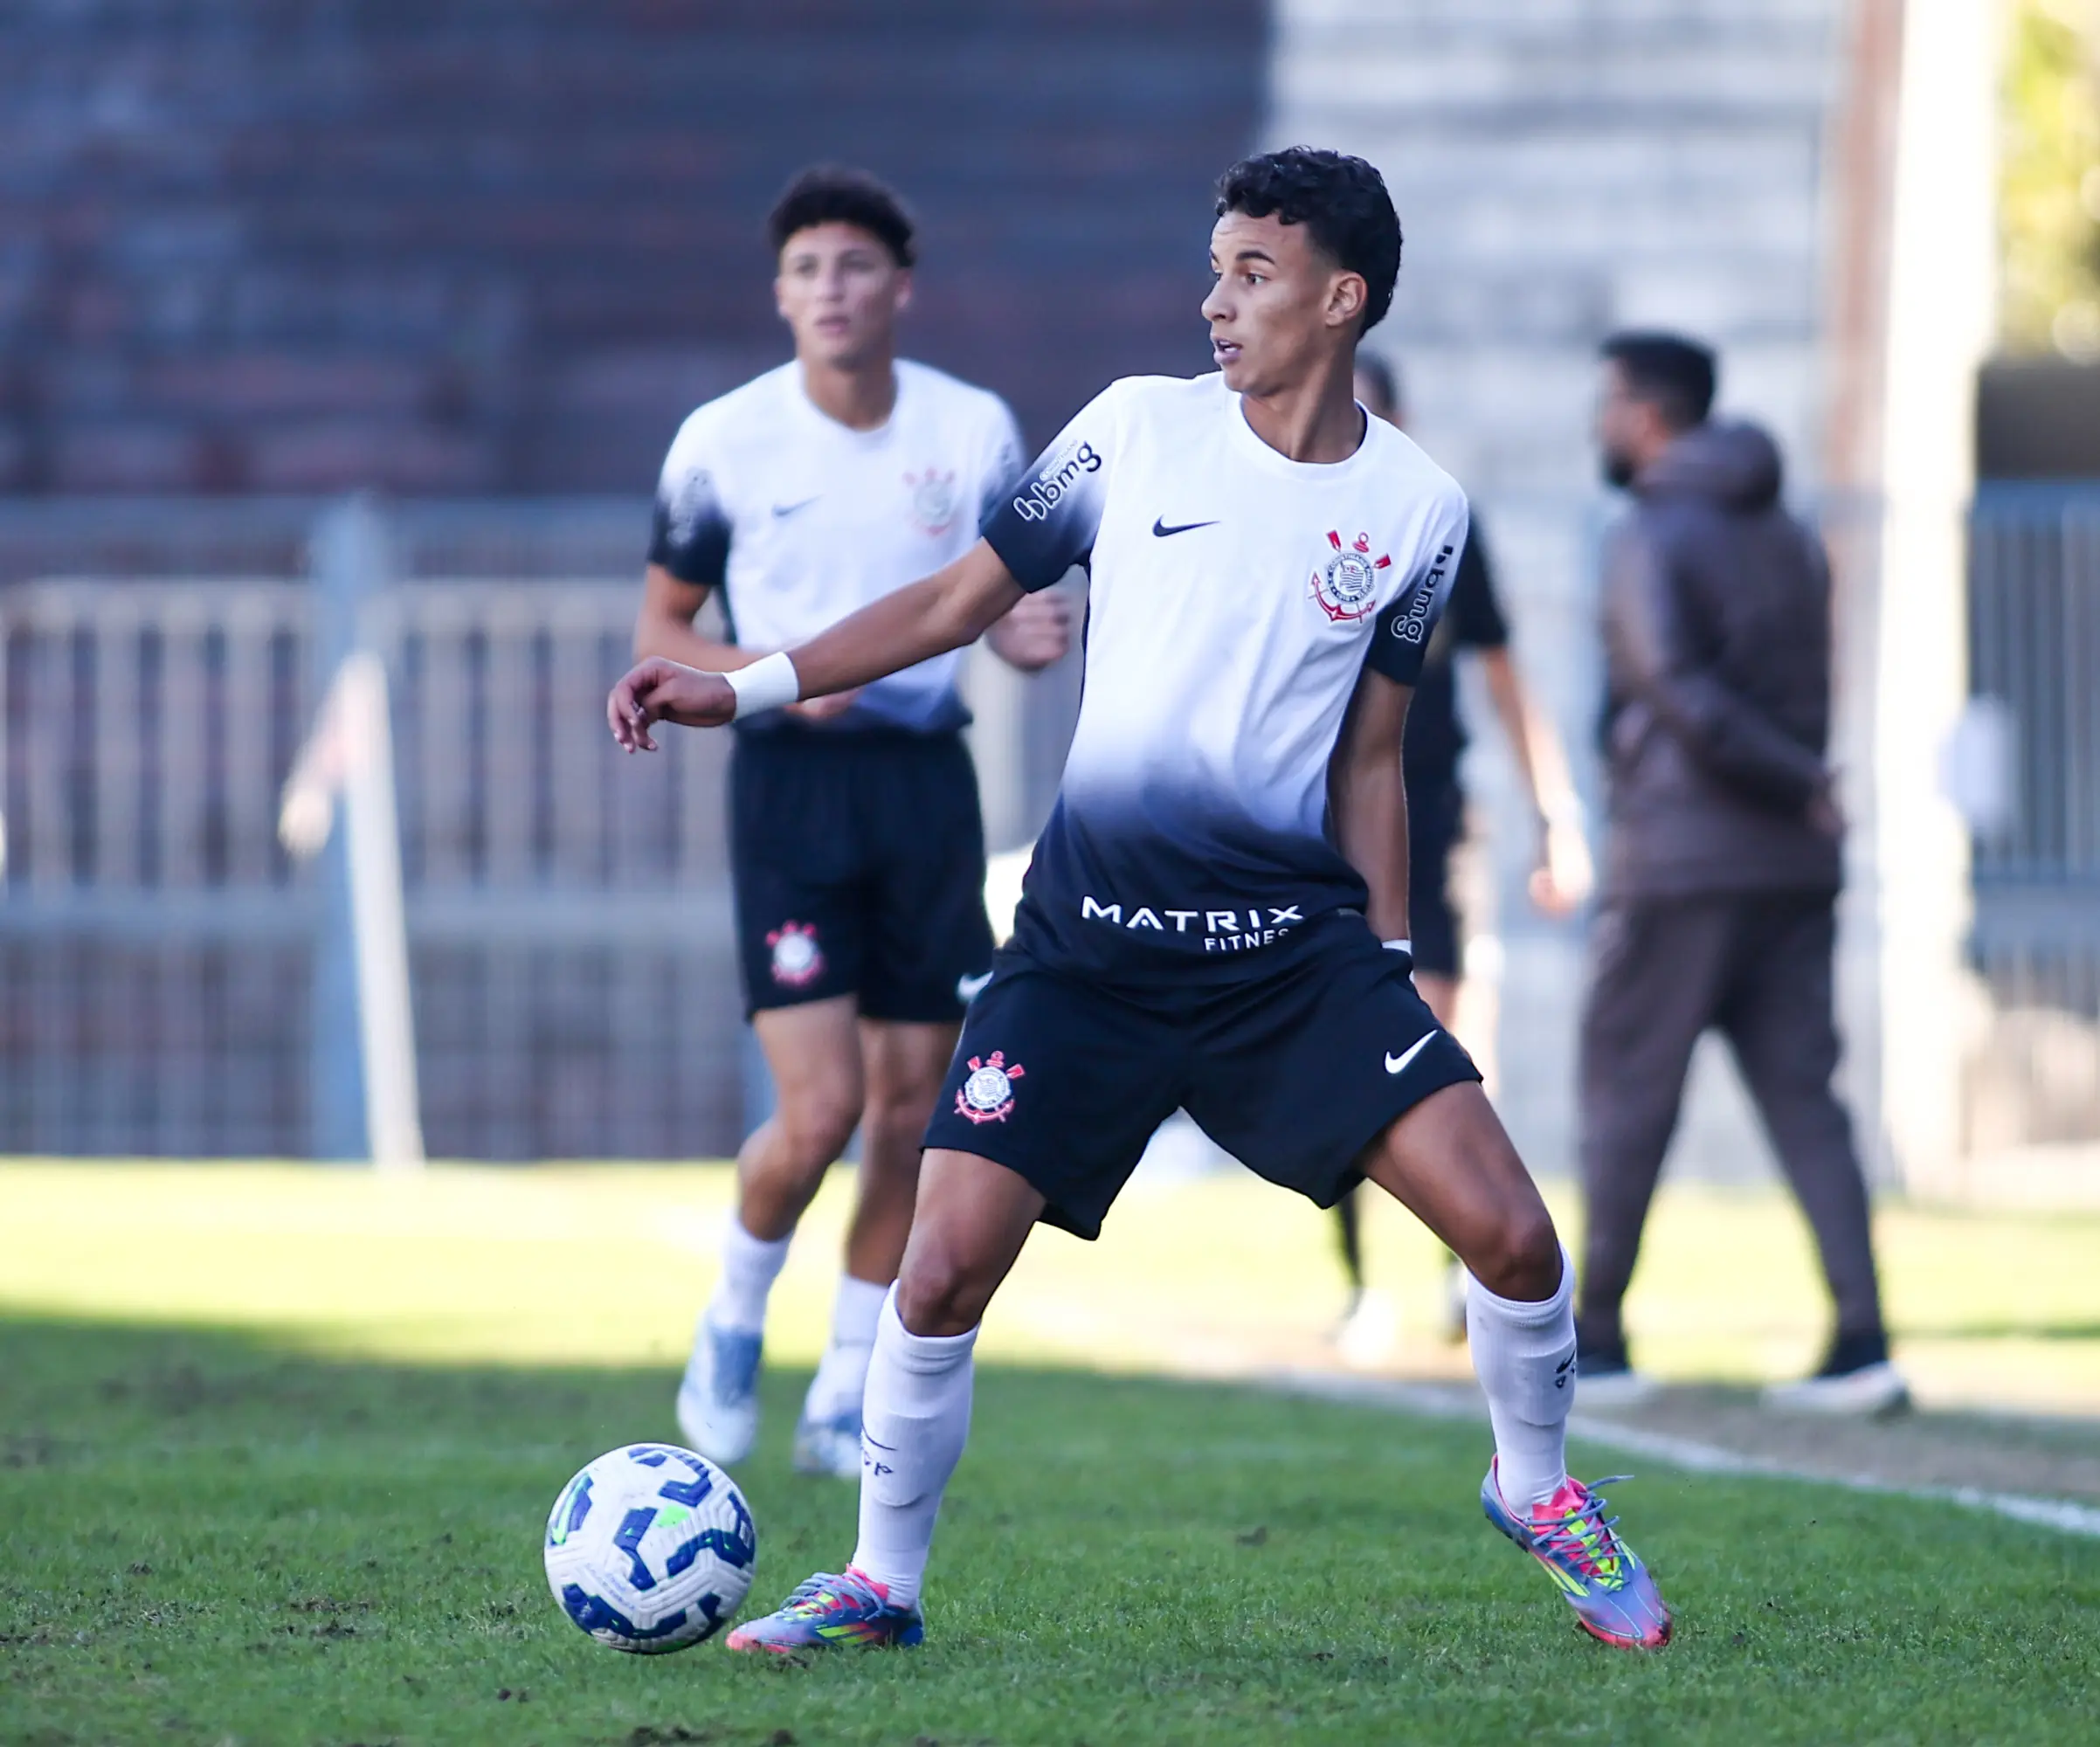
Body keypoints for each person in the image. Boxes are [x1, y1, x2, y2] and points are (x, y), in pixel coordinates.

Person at [611, 148, 1672, 1653]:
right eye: (1214, 270)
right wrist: (745, 686)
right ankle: (879, 1584)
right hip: (1085, 957)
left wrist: (1382, 959)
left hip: (1289, 965)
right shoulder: (1129, 432)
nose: (1214, 302)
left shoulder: (1419, 510)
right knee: (939, 1270)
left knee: (1513, 1241)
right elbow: (953, 602)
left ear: (1341, 299)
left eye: (1253, 275)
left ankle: (1536, 1486)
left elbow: (1372, 757)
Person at [636, 165, 1072, 1480]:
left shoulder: (972, 429)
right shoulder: (723, 441)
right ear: (781, 296)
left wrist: (1026, 634)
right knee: (819, 1108)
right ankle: (734, 1313)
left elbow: (1000, 599)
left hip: (925, 784)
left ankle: (843, 1379)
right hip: (791, 787)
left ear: (901, 288)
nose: (831, 289)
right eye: (807, 269)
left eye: (855, 265)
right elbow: (662, 623)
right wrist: (778, 674)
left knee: (908, 1110)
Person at [1577, 330, 1903, 1415]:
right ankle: (1863, 1341)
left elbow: (1677, 688)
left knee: (1627, 1094)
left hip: (1682, 863)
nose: (1597, 423)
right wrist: (1804, 784)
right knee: (1808, 1102)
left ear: (1647, 415)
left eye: (1608, 403)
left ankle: (1597, 1340)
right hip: (1791, 865)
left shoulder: (1647, 531)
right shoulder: (1790, 530)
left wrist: (1799, 775)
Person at [1330, 355, 1593, 1359]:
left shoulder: (1438, 521)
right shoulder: (1281, 524)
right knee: (1342, 1049)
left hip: (1433, 819)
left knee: (1445, 1041)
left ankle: (1461, 1267)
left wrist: (1555, 815)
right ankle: (1361, 1283)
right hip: (1320, 828)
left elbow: (1504, 676)